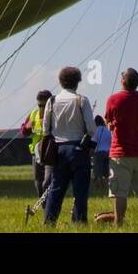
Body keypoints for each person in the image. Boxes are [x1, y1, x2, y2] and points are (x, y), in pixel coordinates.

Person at [41, 66, 97, 225]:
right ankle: (79, 222)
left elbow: (46, 129)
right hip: (78, 149)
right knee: (80, 190)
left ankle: (49, 222)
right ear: (77, 82)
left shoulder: (51, 101)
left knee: (56, 188)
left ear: (61, 81)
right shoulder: (82, 100)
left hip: (58, 150)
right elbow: (92, 129)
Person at [104, 67, 138, 225]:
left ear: (124, 81)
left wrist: (111, 124)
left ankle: (119, 224)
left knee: (120, 193)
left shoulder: (113, 99)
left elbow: (108, 120)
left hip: (121, 153)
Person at [21, 89, 53, 197]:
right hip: (36, 154)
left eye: (44, 105)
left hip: (50, 153)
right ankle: (43, 205)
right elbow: (23, 131)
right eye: (39, 105)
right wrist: (27, 127)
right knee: (38, 182)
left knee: (48, 181)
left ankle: (49, 203)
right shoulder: (33, 114)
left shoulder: (55, 115)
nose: (42, 108)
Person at [91, 114, 112, 196]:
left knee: (98, 173)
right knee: (106, 173)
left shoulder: (96, 130)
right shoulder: (107, 130)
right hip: (107, 153)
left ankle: (99, 189)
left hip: (98, 152)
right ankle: (107, 188)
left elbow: (93, 142)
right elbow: (111, 141)